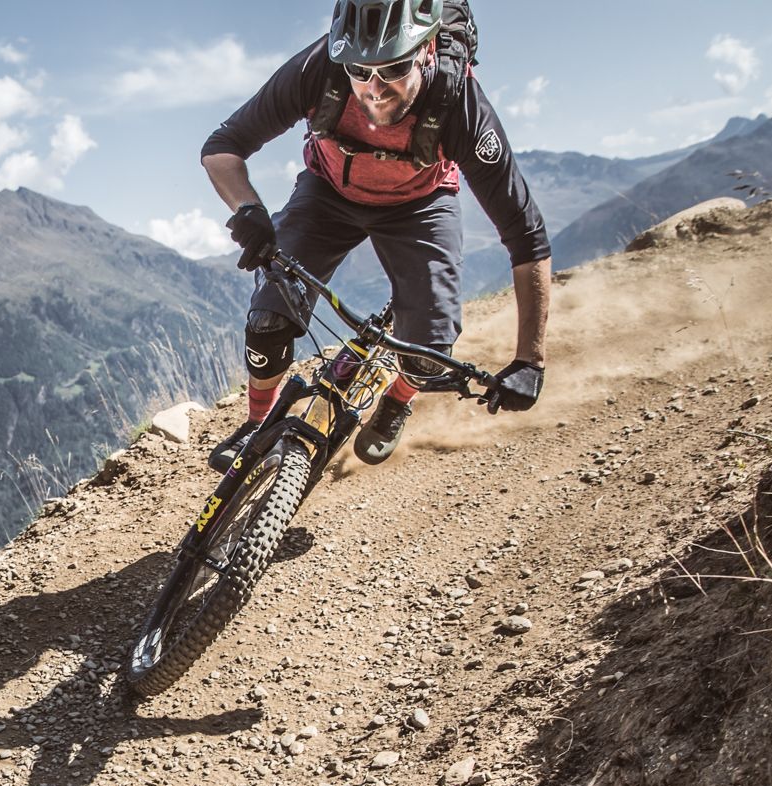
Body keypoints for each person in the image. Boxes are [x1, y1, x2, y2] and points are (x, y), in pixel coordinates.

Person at [201, 0, 550, 474]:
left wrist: (530, 360)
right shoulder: (317, 68)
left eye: (394, 69)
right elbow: (223, 147)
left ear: (426, 51)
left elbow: (525, 237)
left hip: (421, 205)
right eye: (359, 71)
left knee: (428, 354)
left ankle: (396, 402)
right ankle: (256, 425)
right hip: (327, 193)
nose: (374, 89)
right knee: (267, 323)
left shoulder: (462, 106)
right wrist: (248, 210)